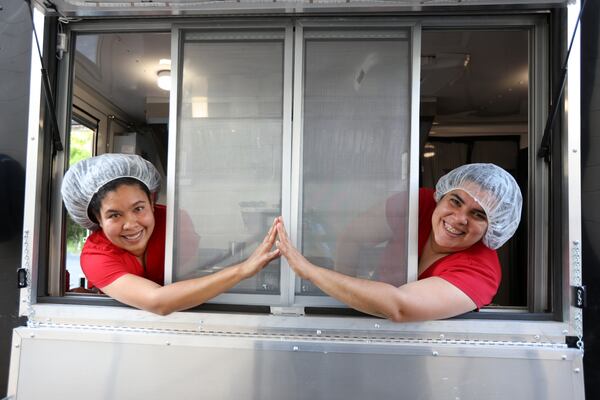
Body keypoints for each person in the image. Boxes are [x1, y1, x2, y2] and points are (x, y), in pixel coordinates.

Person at [275, 163, 522, 322]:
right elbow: (353, 236)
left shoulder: (481, 272)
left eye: (478, 215)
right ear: (441, 197)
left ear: (494, 227)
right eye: (455, 201)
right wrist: (345, 307)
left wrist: (308, 271)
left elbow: (399, 307)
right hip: (365, 324)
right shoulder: (421, 204)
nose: (458, 219)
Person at [61, 153, 280, 315]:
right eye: (114, 215)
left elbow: (187, 281)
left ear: (152, 204)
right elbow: (159, 301)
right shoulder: (96, 256)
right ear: (97, 220)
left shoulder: (176, 224)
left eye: (139, 209)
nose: (131, 225)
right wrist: (242, 270)